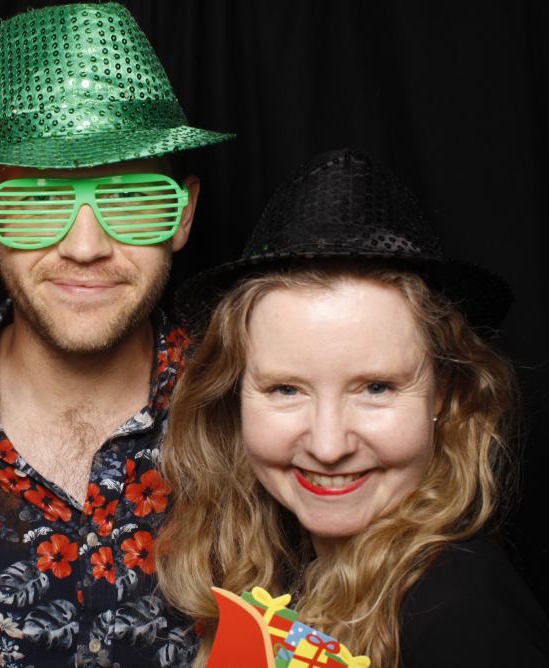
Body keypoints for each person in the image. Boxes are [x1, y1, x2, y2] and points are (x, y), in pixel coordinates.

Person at [0, 3, 233, 666]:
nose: (85, 247)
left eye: (129, 197)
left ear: (184, 214)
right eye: (40, 200)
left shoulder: (252, 408)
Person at [157, 148, 549, 667]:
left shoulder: (463, 613)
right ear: (234, 396)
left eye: (376, 388)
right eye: (286, 389)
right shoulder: (288, 568)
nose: (328, 445)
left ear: (441, 393)